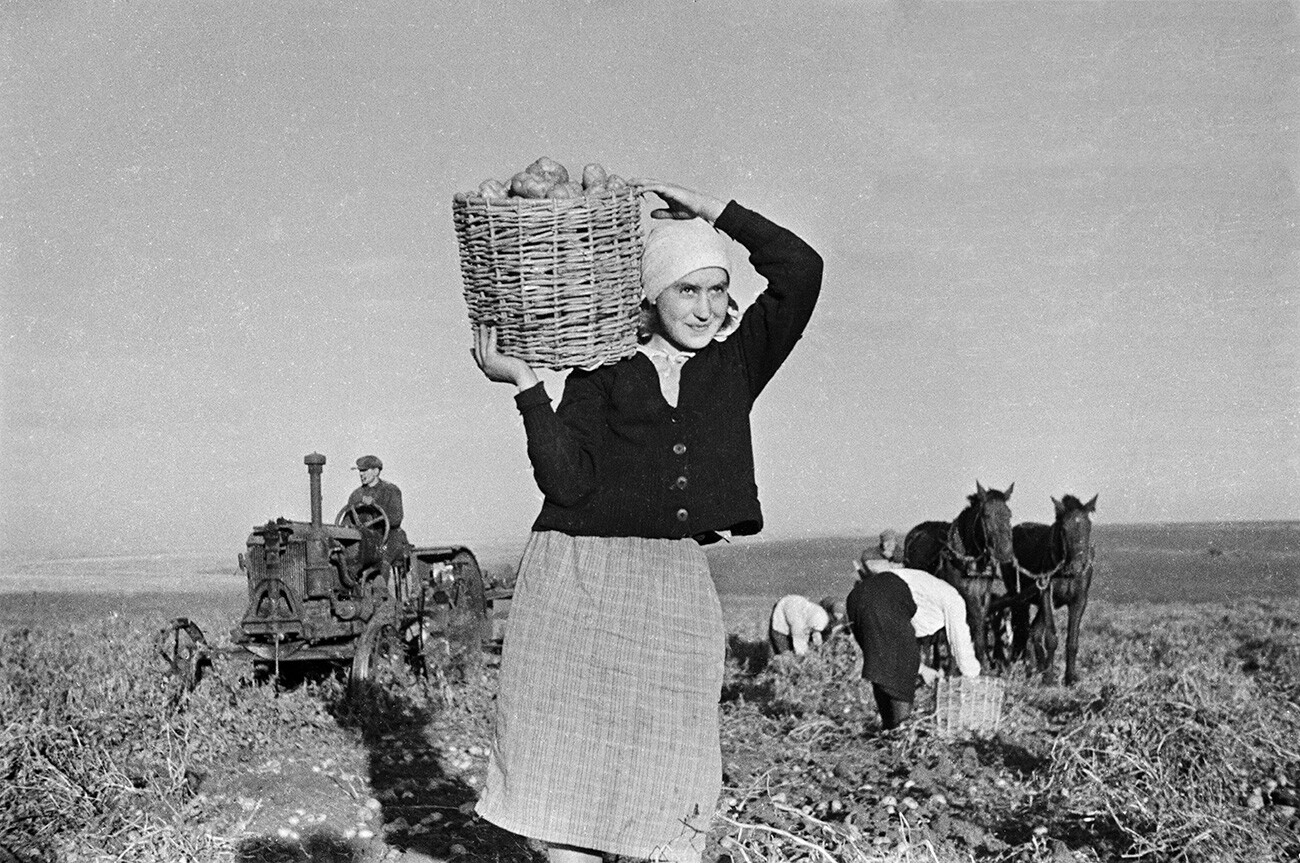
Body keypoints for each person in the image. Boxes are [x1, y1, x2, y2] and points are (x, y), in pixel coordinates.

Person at [470, 179, 822, 863]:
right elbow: (566, 481)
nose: (705, 306)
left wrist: (713, 210)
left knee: (667, 779)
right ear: (651, 296)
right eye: (685, 290)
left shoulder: (736, 362)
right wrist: (526, 388)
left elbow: (802, 268)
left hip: (673, 583)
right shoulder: (605, 370)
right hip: (575, 579)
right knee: (569, 782)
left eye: (717, 290)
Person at [846, 557, 980, 730]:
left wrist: (922, 670)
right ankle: (901, 731)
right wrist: (972, 676)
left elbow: (890, 647)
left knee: (880, 663)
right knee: (903, 671)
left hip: (857, 597)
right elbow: (960, 641)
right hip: (888, 593)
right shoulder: (954, 601)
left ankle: (889, 729)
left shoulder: (927, 595)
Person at [346, 455, 407, 569]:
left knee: (382, 561)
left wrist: (374, 507)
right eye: (360, 471)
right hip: (364, 539)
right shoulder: (356, 495)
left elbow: (395, 520)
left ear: (376, 471)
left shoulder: (391, 490)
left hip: (387, 537)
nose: (361, 474)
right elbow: (347, 522)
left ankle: (380, 584)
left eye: (364, 470)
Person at [768, 594, 839, 656]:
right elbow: (800, 648)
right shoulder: (799, 626)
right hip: (781, 622)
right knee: (786, 655)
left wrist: (819, 648)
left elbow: (816, 634)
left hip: (796, 607)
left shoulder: (820, 615)